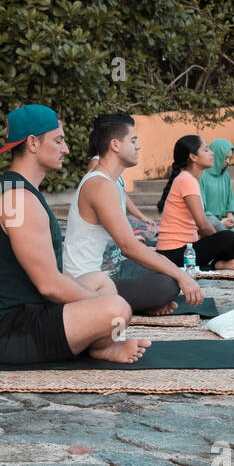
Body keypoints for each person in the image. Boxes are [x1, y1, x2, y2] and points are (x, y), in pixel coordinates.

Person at [0, 105, 204, 366]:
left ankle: (101, 346)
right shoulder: (20, 199)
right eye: (59, 140)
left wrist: (99, 298)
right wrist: (105, 305)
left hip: (29, 313)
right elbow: (49, 285)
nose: (66, 149)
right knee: (116, 308)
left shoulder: (21, 191)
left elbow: (55, 272)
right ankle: (105, 344)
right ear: (33, 143)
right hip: (7, 335)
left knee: (100, 281)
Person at [63, 114, 199, 315]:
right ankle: (136, 303)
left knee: (166, 269)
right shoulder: (99, 184)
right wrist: (181, 276)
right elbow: (128, 246)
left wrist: (174, 271)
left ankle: (142, 302)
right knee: (167, 283)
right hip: (89, 283)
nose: (138, 146)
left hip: (114, 272)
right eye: (133, 140)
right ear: (116, 145)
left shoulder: (115, 181)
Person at [155, 135, 234, 270]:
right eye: (206, 150)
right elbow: (202, 225)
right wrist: (221, 243)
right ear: (193, 157)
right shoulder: (187, 180)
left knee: (226, 238)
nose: (212, 153)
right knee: (229, 238)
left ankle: (220, 262)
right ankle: (225, 262)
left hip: (181, 251)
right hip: (175, 254)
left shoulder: (188, 178)